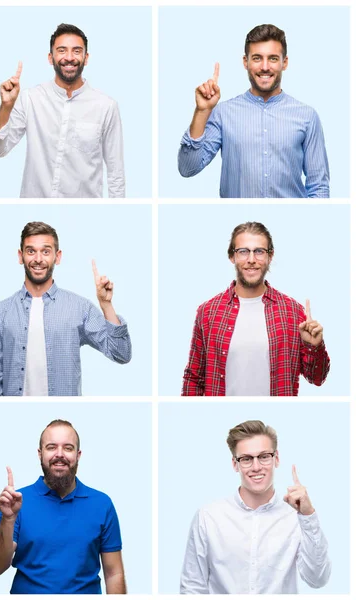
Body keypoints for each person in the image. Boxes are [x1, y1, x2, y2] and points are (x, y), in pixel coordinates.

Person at [177, 24, 329, 198]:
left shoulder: (307, 116)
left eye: (272, 58)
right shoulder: (223, 114)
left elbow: (319, 188)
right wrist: (202, 111)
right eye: (257, 58)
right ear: (245, 62)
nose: (265, 67)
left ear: (284, 62)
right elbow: (187, 168)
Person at [0, 221, 131, 396]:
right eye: (31, 251)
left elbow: (121, 353)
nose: (38, 259)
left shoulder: (79, 308)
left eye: (46, 251)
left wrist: (106, 305)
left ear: (57, 257)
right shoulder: (0, 313)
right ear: (20, 256)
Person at [180, 420, 331, 593]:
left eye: (264, 456)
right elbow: (192, 587)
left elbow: (318, 579)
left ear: (276, 458)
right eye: (246, 459)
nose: (256, 467)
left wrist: (308, 516)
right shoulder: (208, 517)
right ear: (235, 464)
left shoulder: (296, 517)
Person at [182, 222, 329, 396]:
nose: (251, 260)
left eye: (259, 251)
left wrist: (314, 346)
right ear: (232, 257)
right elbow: (194, 378)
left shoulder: (293, 312)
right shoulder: (208, 312)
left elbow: (317, 378)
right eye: (243, 251)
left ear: (270, 256)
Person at [0, 419, 126, 594]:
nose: (59, 454)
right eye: (51, 447)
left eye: (68, 448)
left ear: (78, 455)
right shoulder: (16, 502)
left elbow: (114, 574)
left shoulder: (102, 504)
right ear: (40, 453)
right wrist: (8, 520)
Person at [0, 23, 125, 198]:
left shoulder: (106, 106)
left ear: (86, 57)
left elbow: (116, 173)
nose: (69, 57)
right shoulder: (30, 99)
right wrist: (6, 107)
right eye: (61, 50)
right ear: (50, 58)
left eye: (76, 51)